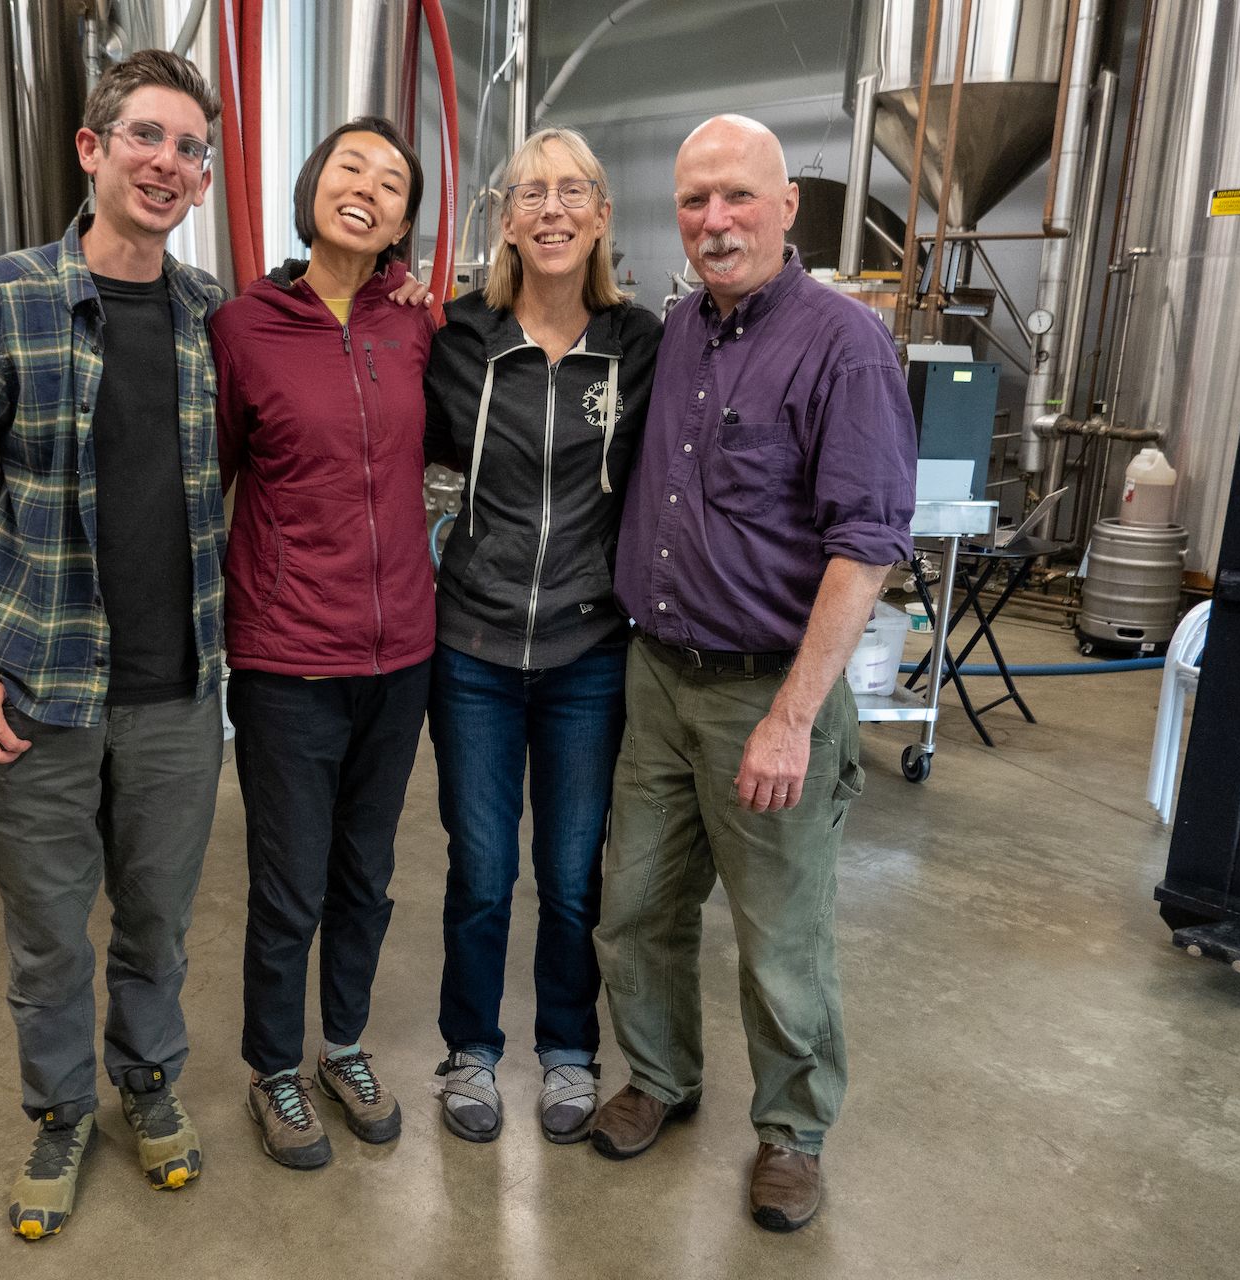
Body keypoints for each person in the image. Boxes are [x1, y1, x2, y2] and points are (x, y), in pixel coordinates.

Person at [0, 50, 228, 1240]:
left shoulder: (205, 316)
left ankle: (147, 1083)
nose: (168, 164)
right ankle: (59, 1110)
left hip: (180, 693)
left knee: (156, 923)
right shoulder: (0, 297)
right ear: (91, 150)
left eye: (191, 148)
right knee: (47, 937)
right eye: (146, 136)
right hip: (36, 693)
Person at [589, 114, 915, 1233]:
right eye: (693, 201)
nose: (714, 221)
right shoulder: (681, 328)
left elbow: (865, 546)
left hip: (766, 692)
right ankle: (661, 1077)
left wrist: (790, 719)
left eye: (736, 197)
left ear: (785, 207)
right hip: (658, 680)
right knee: (634, 905)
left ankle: (792, 1130)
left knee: (780, 936)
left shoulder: (844, 344)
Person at [422, 127, 661, 1144]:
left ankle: (568, 1049)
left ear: (603, 215)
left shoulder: (642, 341)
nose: (552, 209)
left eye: (573, 192)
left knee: (571, 876)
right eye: (532, 192)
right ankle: (471, 1049)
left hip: (588, 654)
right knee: (482, 870)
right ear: (505, 216)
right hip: (472, 648)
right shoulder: (456, 336)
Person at [210, 116, 435, 1172]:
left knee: (367, 872)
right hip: (289, 659)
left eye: (392, 182)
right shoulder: (243, 329)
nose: (369, 188)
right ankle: (272, 1067)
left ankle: (343, 1044)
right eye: (352, 166)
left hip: (401, 659)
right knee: (289, 879)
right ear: (312, 187)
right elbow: (204, 481)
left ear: (402, 222)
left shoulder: (415, 325)